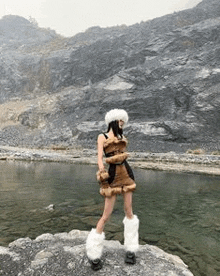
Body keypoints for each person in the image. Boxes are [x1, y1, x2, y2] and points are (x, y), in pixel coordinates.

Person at [86, 109, 139, 271]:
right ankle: (94, 254)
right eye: (120, 121)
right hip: (112, 175)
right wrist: (102, 176)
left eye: (124, 121)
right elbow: (100, 160)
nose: (123, 123)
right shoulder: (102, 136)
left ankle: (131, 250)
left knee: (129, 211)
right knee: (106, 215)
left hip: (127, 174)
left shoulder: (122, 137)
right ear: (113, 121)